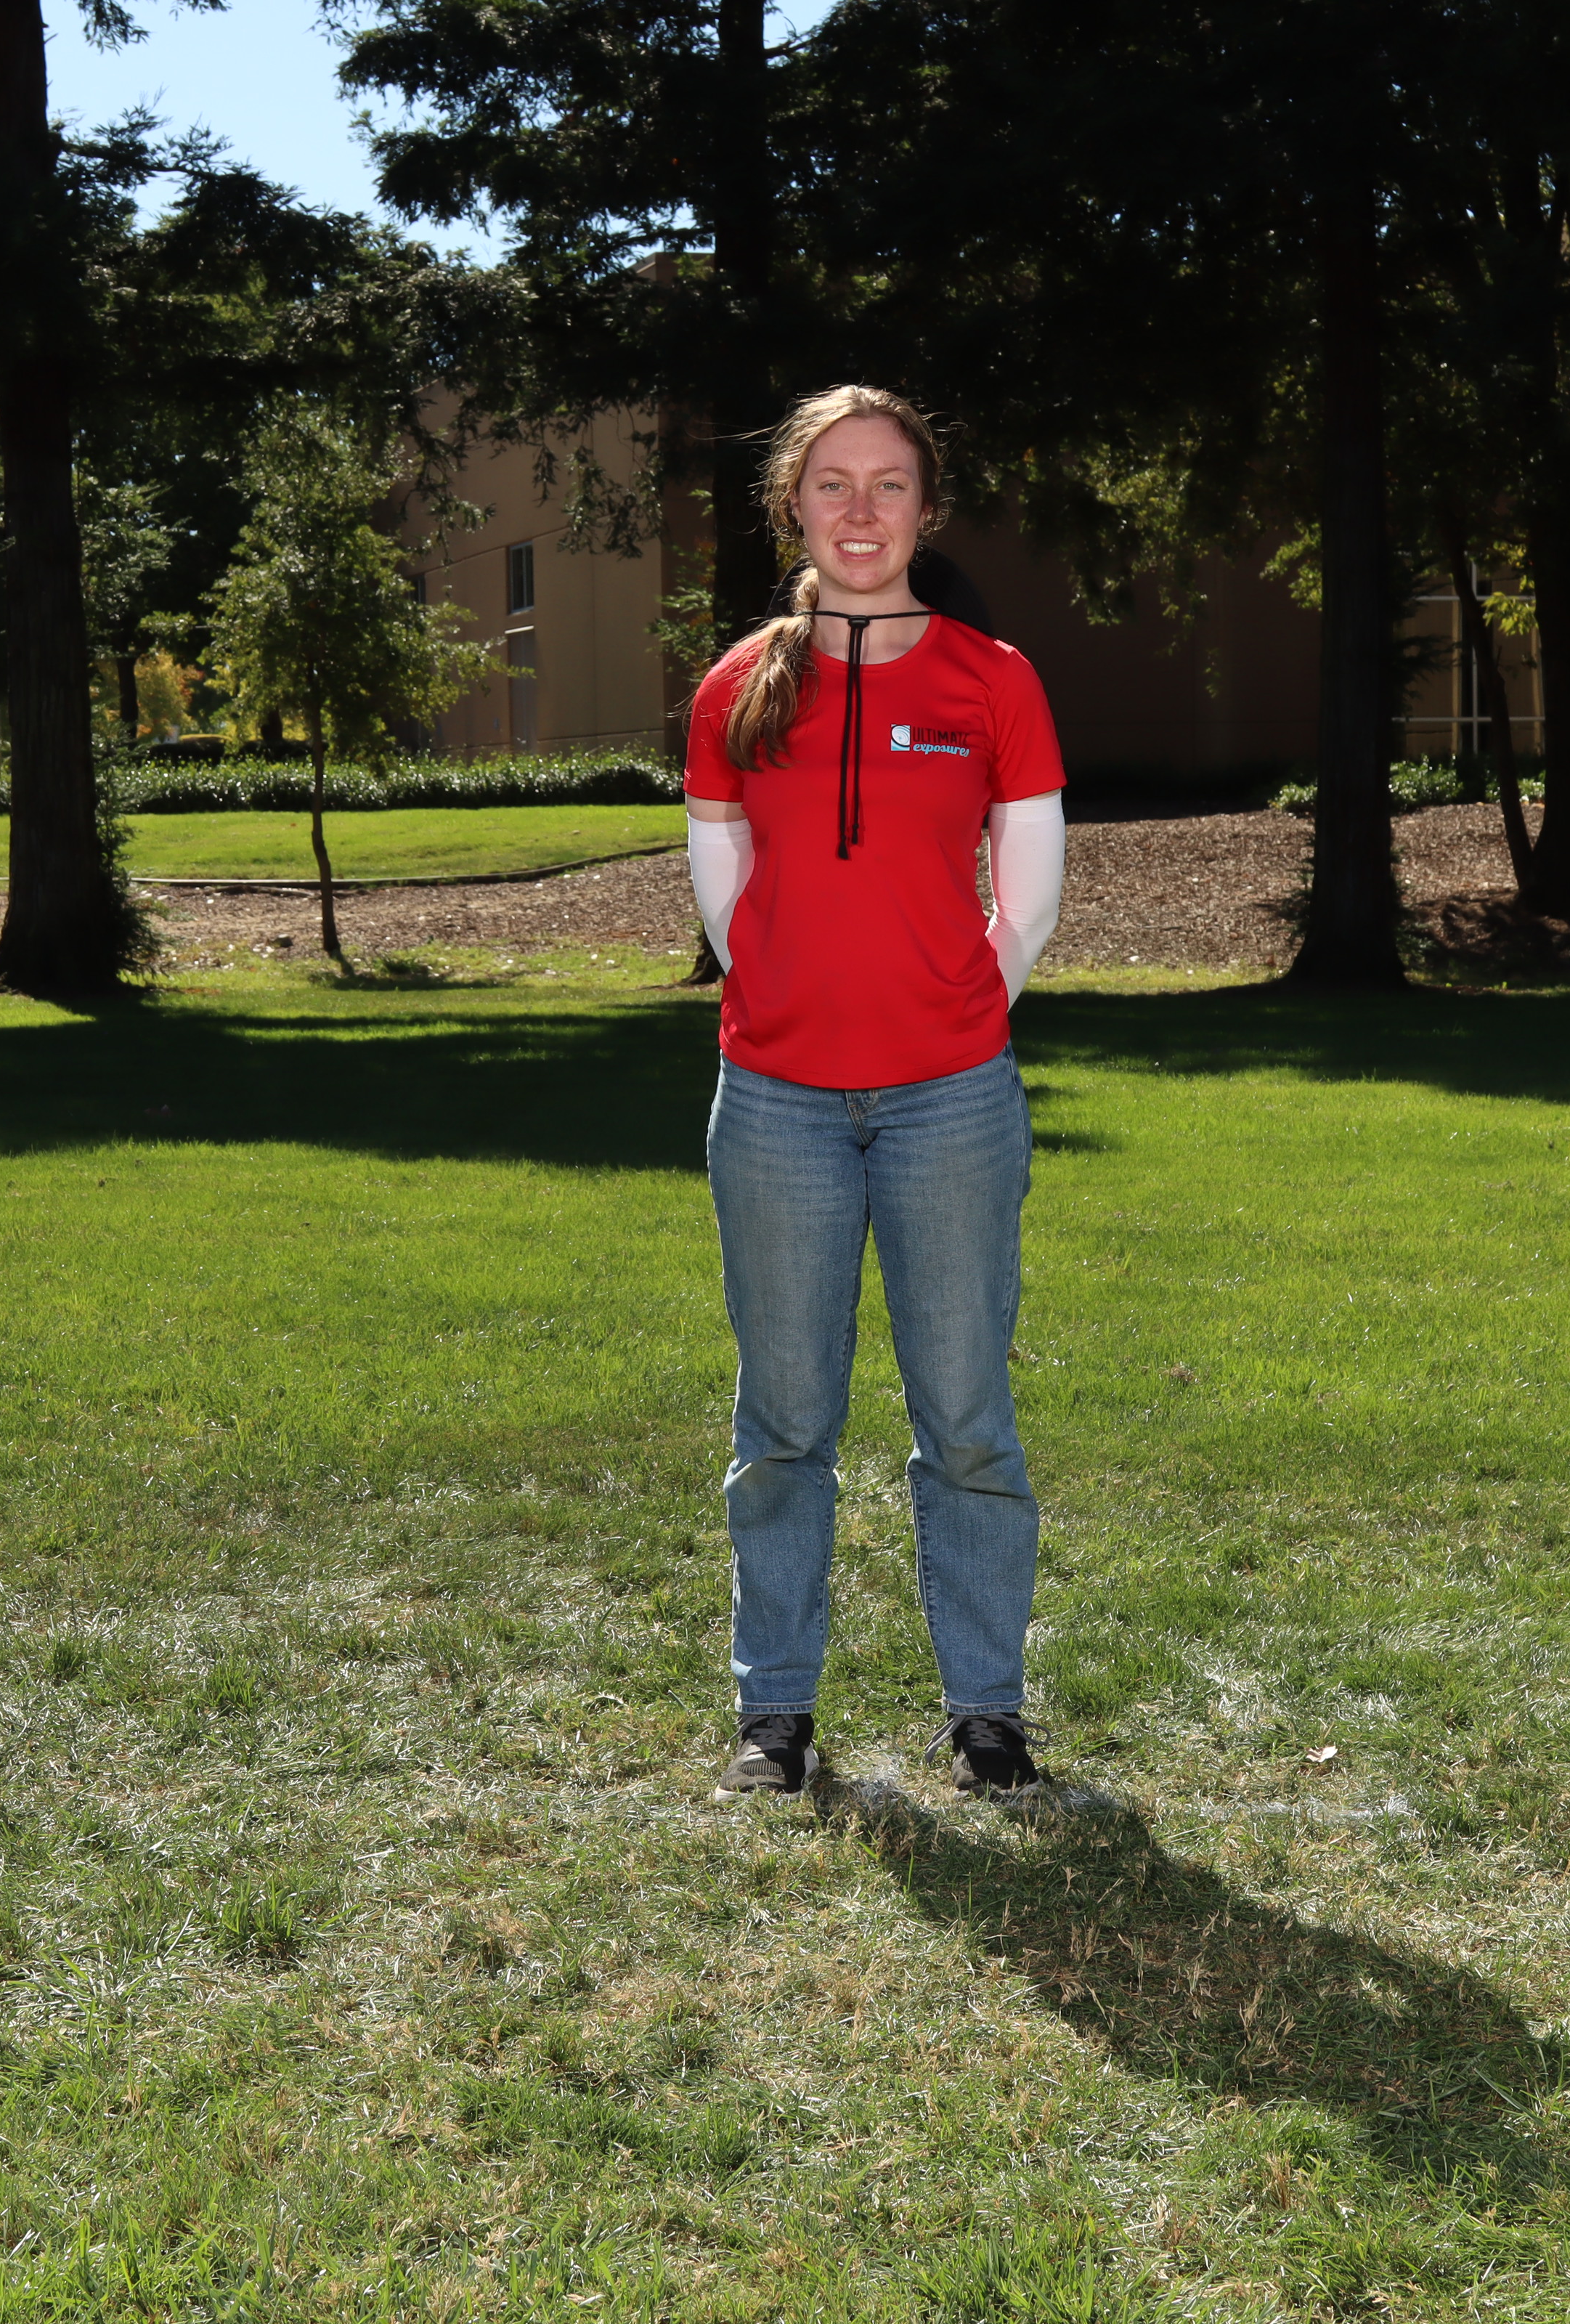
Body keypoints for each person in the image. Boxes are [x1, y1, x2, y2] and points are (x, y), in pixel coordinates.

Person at [684, 384, 1068, 1802]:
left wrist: (949, 1010)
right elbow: (724, 887)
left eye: (888, 483)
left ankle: (987, 1714)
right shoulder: (737, 687)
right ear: (792, 503)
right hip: (776, 1101)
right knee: (784, 1423)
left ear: (926, 506)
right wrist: (798, 1002)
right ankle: (774, 1712)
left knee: (966, 1418)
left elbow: (1027, 895)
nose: (860, 510)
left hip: (950, 1100)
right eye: (832, 484)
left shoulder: (992, 680)